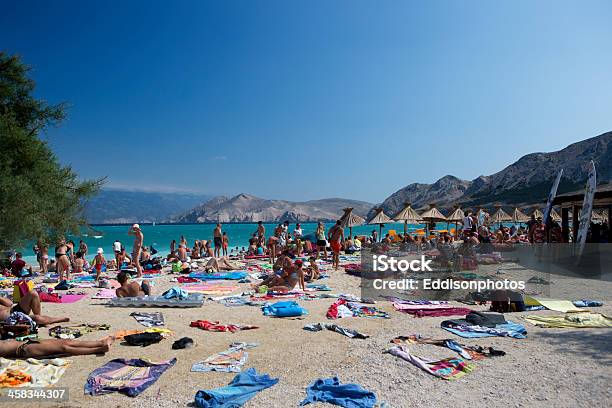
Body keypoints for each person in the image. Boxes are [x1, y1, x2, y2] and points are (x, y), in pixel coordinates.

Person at [0, 336, 114, 358]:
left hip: (27, 343)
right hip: (23, 349)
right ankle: (100, 349)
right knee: (64, 348)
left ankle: (100, 343)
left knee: (66, 342)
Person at [0, 290, 69, 326]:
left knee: (33, 293)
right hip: (11, 319)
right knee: (38, 319)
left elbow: (9, 303)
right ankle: (55, 319)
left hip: (14, 309)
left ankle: (39, 317)